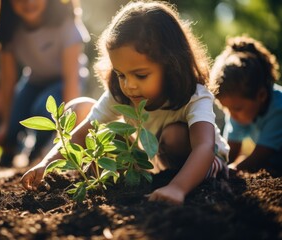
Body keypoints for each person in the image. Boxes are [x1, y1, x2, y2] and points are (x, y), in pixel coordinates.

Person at [20, 0, 230, 204]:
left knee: (174, 135)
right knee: (104, 131)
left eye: (140, 75)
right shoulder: (121, 94)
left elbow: (204, 146)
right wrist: (47, 163)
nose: (129, 85)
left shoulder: (193, 95)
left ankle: (183, 181)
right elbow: (85, 129)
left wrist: (177, 188)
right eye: (121, 74)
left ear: (171, 65)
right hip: (156, 166)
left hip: (206, 161)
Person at [0, 0, 91, 166]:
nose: (28, 2)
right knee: (12, 124)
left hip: (64, 81)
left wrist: (66, 131)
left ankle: (38, 156)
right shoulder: (8, 29)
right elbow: (8, 81)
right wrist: (5, 125)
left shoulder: (66, 22)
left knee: (43, 109)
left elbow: (71, 79)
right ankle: (7, 156)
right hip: (34, 80)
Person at [209, 36, 282, 176]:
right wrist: (218, 165)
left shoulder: (278, 108)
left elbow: (260, 156)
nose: (231, 114)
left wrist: (231, 169)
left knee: (271, 164)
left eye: (236, 108)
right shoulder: (239, 111)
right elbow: (231, 149)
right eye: (226, 108)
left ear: (261, 95)